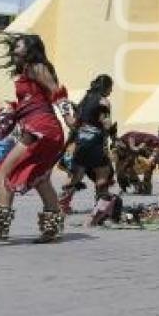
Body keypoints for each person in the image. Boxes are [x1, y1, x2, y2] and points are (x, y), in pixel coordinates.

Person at [0, 33, 73, 243]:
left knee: (4, 173)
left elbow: (56, 92)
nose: (14, 49)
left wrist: (68, 118)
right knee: (41, 179)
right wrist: (3, 117)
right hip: (41, 127)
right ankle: (51, 229)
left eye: (18, 46)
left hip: (41, 127)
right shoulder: (29, 70)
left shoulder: (36, 67)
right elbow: (29, 101)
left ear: (30, 48)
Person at [59, 75, 118, 223]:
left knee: (76, 175)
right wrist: (114, 137)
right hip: (95, 142)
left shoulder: (84, 101)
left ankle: (60, 207)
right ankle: (98, 213)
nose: (111, 91)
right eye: (111, 88)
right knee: (103, 176)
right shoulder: (103, 101)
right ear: (106, 87)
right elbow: (106, 123)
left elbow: (73, 124)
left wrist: (65, 109)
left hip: (80, 142)